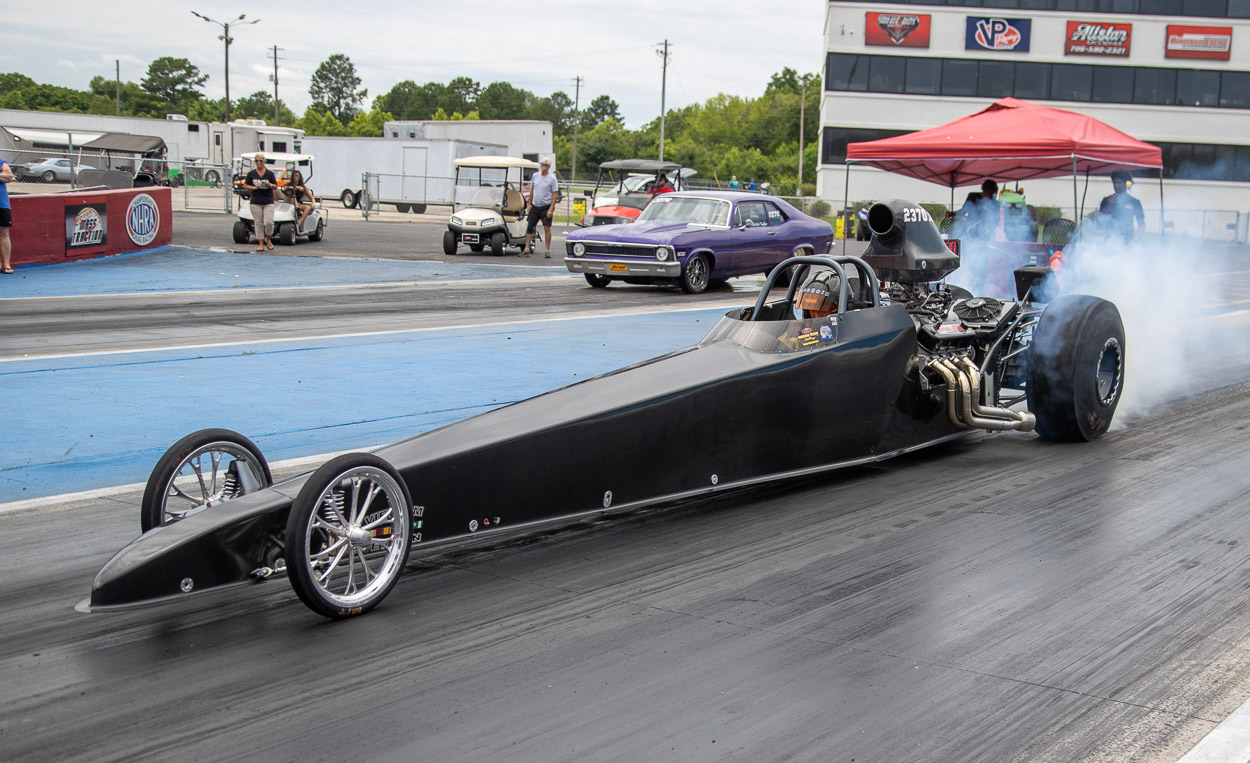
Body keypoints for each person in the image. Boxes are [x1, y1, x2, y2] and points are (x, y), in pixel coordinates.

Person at [524, 158, 559, 257]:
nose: (542, 166)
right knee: (530, 226)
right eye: (541, 164)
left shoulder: (552, 179)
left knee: (546, 227)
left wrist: (551, 208)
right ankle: (526, 248)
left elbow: (555, 194)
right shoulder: (535, 176)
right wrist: (529, 204)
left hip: (546, 206)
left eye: (544, 164)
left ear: (548, 167)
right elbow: (532, 190)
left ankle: (547, 250)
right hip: (535, 205)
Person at [242, 154, 277, 251]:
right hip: (256, 201)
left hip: (268, 201)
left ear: (264, 161)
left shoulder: (269, 174)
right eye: (256, 161)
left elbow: (275, 186)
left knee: (269, 222)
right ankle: (260, 243)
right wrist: (255, 187)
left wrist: (269, 184)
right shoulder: (251, 174)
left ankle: (268, 238)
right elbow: (246, 186)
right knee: (258, 223)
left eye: (261, 160)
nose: (259, 162)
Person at [1098, 170, 1145, 243]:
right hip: (1110, 240)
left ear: (1126, 184)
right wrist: (1109, 205)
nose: (1116, 185)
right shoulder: (1107, 200)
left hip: (1128, 240)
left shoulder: (1134, 202)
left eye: (1119, 183)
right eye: (1114, 183)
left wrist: (1134, 240)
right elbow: (1101, 221)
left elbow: (1141, 225)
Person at [0, 155, 13, 274]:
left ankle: (6, 264)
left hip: (2, 204)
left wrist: (4, 176)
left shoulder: (2, 162)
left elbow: (9, 176)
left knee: (4, 234)